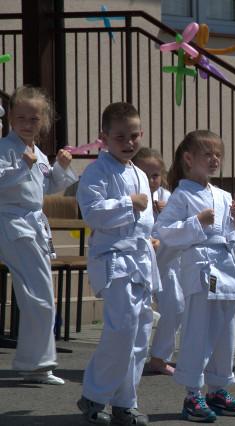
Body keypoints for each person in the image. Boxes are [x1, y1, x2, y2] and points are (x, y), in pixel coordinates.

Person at [154, 130, 235, 422]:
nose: (214, 160)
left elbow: (234, 236)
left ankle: (218, 389)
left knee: (226, 331)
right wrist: (195, 222)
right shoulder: (182, 195)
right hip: (201, 268)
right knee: (198, 331)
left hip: (226, 266)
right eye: (207, 154)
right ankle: (192, 394)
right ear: (188, 159)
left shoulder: (223, 195)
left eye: (218, 155)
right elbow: (163, 231)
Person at [76, 102, 159, 425]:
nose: (129, 142)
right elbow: (93, 213)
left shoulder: (139, 173)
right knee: (121, 330)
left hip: (139, 260)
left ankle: (125, 402)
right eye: (120, 136)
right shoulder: (96, 172)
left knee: (139, 334)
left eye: (134, 135)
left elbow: (145, 220)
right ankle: (94, 396)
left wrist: (149, 236)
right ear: (104, 138)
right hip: (114, 260)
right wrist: (128, 203)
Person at [0, 86, 76, 385]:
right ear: (10, 119)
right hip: (12, 223)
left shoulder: (38, 152)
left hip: (32, 224)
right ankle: (37, 364)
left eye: (34, 119)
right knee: (39, 294)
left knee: (41, 293)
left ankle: (37, 362)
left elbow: (45, 187)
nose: (27, 124)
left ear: (42, 121)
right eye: (21, 118)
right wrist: (22, 166)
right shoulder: (6, 148)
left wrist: (61, 168)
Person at [133, 147, 184, 376]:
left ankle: (159, 357)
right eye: (145, 175)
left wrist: (167, 214)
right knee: (137, 313)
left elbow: (183, 225)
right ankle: (128, 356)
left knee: (176, 306)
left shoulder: (168, 197)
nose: (151, 180)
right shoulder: (131, 195)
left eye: (155, 175)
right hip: (139, 261)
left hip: (166, 262)